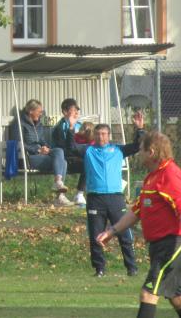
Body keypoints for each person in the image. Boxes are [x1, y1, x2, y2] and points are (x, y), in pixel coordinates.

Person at [97, 131, 181, 318]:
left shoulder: (170, 175)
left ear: (151, 152)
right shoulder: (152, 177)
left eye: (141, 150)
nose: (139, 154)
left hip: (172, 245)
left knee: (148, 293)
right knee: (179, 298)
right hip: (158, 246)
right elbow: (136, 211)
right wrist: (112, 231)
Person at [68, 113, 145, 277]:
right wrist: (70, 127)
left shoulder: (118, 149)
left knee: (124, 233)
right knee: (96, 234)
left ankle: (132, 268)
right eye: (97, 134)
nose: (100, 137)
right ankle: (100, 269)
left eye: (103, 134)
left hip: (115, 198)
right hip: (95, 198)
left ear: (109, 136)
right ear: (94, 136)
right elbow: (71, 146)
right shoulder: (88, 150)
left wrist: (139, 128)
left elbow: (139, 145)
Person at [12, 99, 71, 206]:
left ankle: (58, 182)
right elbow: (18, 144)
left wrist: (45, 148)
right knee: (64, 163)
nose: (41, 114)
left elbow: (42, 140)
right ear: (31, 111)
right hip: (28, 157)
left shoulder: (39, 124)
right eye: (39, 111)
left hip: (41, 154)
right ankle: (60, 196)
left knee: (58, 151)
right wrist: (37, 150)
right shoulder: (19, 123)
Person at [52, 98, 86, 205]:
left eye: (77, 110)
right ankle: (61, 196)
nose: (76, 112)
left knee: (90, 162)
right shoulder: (60, 127)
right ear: (65, 112)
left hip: (78, 156)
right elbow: (63, 147)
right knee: (85, 162)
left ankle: (79, 194)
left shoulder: (80, 125)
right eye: (73, 110)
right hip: (65, 157)